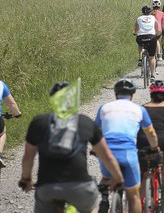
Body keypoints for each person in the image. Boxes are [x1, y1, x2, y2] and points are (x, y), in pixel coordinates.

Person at [19, 82, 124, 213]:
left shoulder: (39, 122)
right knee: (92, 209)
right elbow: (107, 156)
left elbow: (28, 158)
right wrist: (118, 179)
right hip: (80, 187)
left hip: (47, 187)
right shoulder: (85, 122)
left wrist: (26, 179)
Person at [95, 78, 161, 213]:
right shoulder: (139, 109)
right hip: (128, 153)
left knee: (107, 177)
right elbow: (151, 134)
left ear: (115, 93)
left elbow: (95, 131)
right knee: (134, 195)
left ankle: (105, 198)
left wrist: (94, 149)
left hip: (107, 153)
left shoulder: (104, 108)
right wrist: (154, 148)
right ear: (132, 94)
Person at [134, 5, 161, 81]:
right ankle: (152, 75)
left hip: (141, 38)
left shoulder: (138, 18)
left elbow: (136, 29)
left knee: (140, 44)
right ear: (150, 12)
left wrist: (135, 32)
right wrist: (157, 33)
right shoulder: (153, 18)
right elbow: (157, 28)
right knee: (152, 57)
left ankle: (140, 58)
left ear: (142, 12)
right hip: (151, 37)